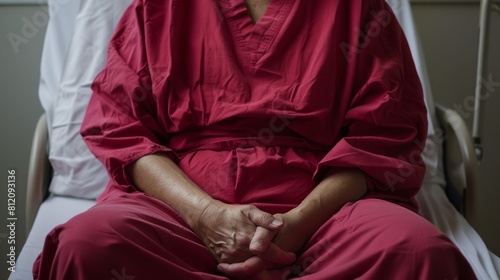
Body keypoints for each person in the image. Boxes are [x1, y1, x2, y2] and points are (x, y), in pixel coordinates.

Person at [33, 0, 476, 279]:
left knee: (420, 255)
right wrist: (206, 217)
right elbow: (120, 127)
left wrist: (294, 228)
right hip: (179, 214)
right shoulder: (158, 9)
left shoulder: (358, 9)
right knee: (85, 249)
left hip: (324, 216)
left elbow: (385, 136)